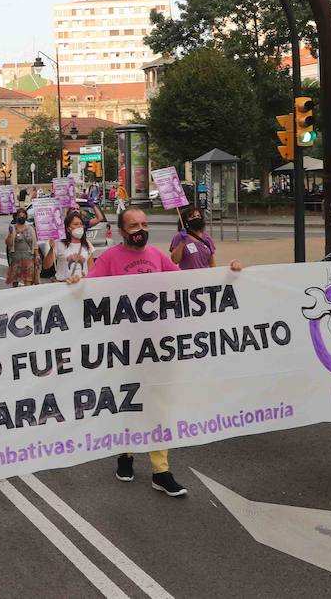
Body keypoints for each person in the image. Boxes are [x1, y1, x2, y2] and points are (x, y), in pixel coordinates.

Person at [86, 207, 221, 499]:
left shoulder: (158, 256)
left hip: (159, 345)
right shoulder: (110, 258)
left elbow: (187, 284)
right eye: (134, 225)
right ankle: (125, 453)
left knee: (158, 403)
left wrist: (229, 276)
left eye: (144, 224)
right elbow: (89, 289)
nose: (141, 229)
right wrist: (74, 285)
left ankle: (161, 470)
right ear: (122, 231)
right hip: (123, 347)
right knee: (128, 401)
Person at [169, 206, 241, 272]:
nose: (196, 218)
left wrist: (215, 274)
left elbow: (211, 261)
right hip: (188, 278)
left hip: (204, 278)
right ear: (186, 221)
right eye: (192, 217)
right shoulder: (179, 237)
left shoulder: (206, 237)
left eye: (198, 216)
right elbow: (175, 261)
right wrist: (182, 242)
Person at [42, 209, 94, 282]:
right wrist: (51, 249)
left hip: (81, 285)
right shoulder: (58, 243)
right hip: (63, 286)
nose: (79, 226)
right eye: (76, 224)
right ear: (68, 229)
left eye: (81, 224)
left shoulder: (87, 244)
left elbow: (91, 269)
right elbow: (46, 266)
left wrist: (88, 278)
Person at [6, 207, 38, 287]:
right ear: (16, 217)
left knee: (28, 281)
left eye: (24, 215)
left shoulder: (30, 229)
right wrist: (10, 234)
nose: (22, 217)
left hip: (28, 258)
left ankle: (27, 298)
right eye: (20, 216)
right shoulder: (13, 229)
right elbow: (8, 243)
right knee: (15, 281)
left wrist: (37, 256)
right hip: (16, 258)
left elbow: (34, 244)